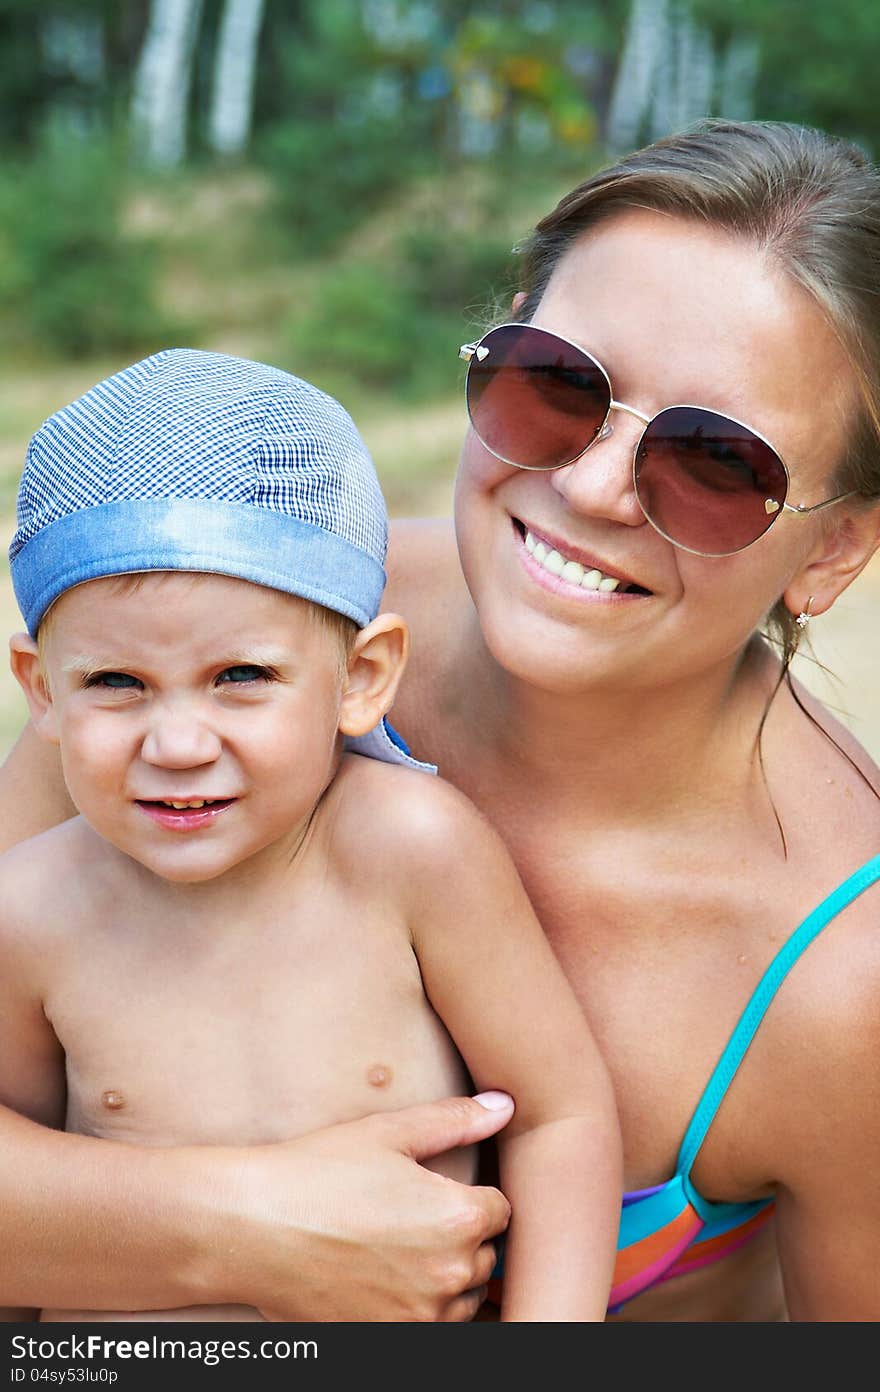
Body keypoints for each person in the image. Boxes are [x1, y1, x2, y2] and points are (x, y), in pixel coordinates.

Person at [2, 115, 880, 1322]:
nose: (587, 488)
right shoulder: (225, 632)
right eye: (563, 386)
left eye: (718, 464)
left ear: (831, 551)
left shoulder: (844, 982)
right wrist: (243, 1234)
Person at [0, 349, 621, 1324]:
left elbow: (560, 1117)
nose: (176, 743)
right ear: (41, 688)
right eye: (114, 684)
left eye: (240, 676)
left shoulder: (411, 850)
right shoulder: (29, 912)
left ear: (363, 676)